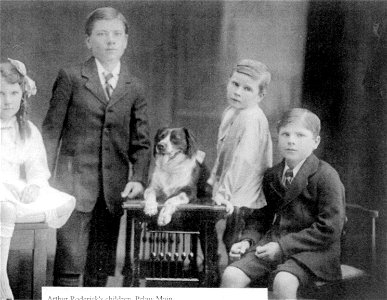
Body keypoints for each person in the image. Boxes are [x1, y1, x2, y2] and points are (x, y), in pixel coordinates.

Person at [42, 7, 151, 287]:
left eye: (116, 34)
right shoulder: (71, 77)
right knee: (68, 265)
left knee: (99, 271)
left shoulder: (134, 87)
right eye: (102, 34)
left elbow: (141, 142)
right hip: (72, 187)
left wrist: (138, 179)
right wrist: (43, 181)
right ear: (88, 41)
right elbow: (51, 132)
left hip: (113, 191)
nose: (110, 41)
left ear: (126, 40)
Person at [221, 108, 346, 299]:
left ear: (315, 142)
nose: (291, 140)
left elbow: (329, 228)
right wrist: (247, 240)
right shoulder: (272, 175)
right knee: (231, 275)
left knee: (283, 280)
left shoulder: (326, 176)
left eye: (300, 135)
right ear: (278, 138)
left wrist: (282, 247)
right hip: (273, 244)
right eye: (285, 134)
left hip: (315, 251)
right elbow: (259, 219)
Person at [0, 59, 75, 300]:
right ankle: (1, 279)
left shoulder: (26, 129)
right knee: (6, 206)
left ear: (23, 95)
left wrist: (34, 186)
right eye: (0, 93)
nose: (7, 100)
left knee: (9, 205)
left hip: (10, 190)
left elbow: (37, 169)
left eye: (13, 93)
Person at [208, 59, 273, 254]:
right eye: (235, 84)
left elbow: (243, 162)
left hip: (244, 191)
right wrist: (214, 180)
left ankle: (232, 275)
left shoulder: (252, 118)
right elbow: (224, 154)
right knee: (210, 229)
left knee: (233, 240)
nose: (237, 92)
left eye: (247, 89)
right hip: (229, 185)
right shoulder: (232, 112)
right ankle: (211, 271)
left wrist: (225, 193)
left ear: (260, 95)